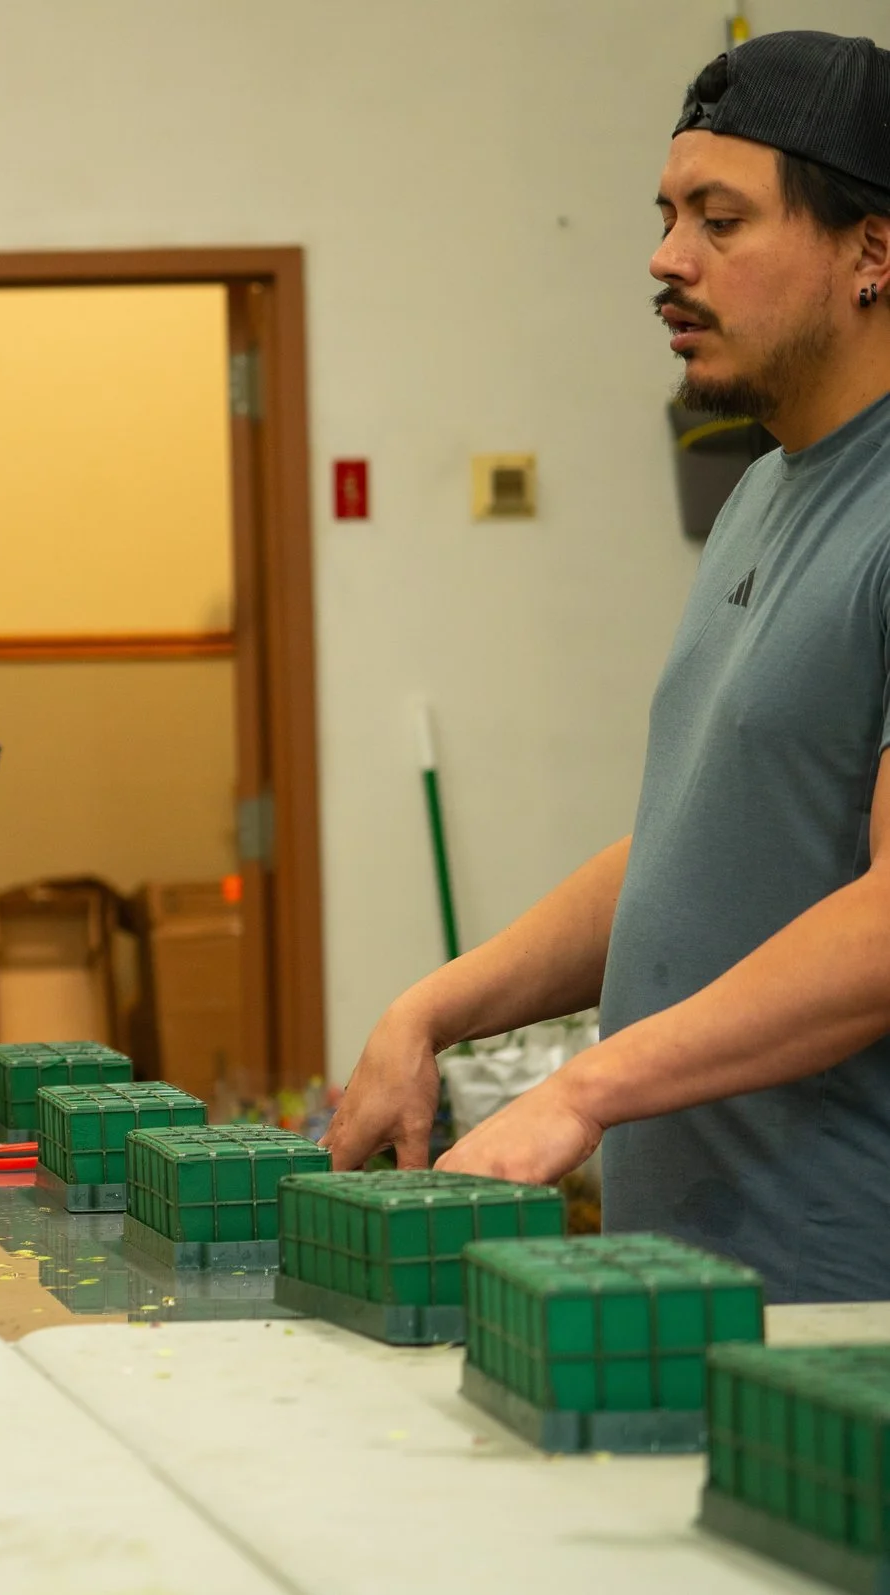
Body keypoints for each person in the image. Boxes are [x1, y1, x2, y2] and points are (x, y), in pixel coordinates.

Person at [328, 31, 890, 1302]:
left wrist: (583, 1087)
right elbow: (704, 842)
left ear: (871, 250)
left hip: (842, 1299)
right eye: (665, 215)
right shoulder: (758, 495)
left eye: (720, 220)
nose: (664, 259)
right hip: (686, 1274)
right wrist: (435, 1007)